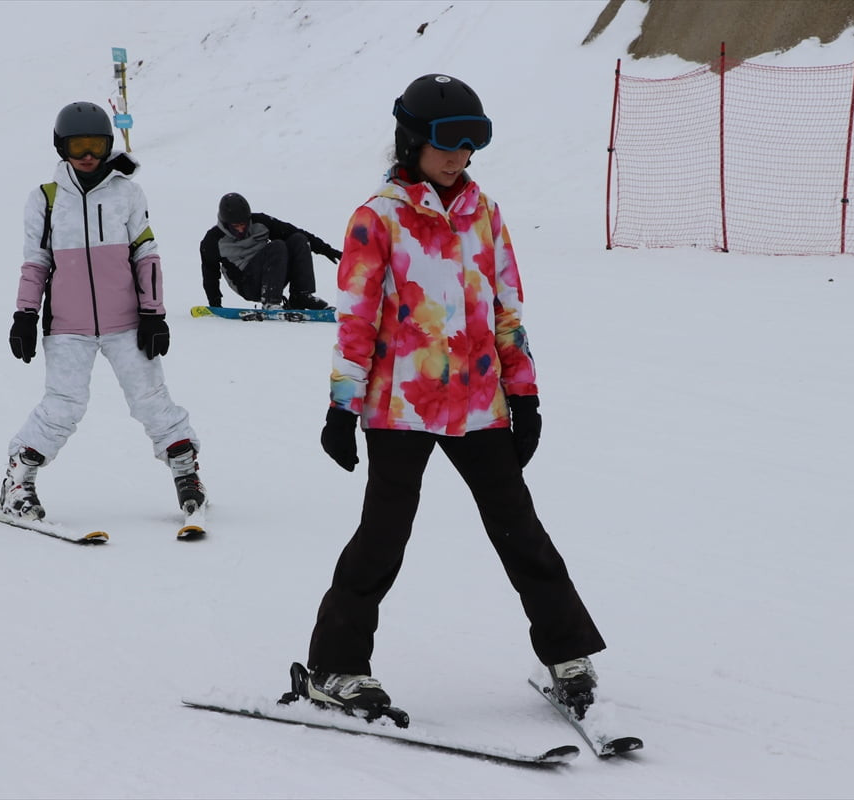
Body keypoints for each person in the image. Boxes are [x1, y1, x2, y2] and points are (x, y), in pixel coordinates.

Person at [306, 75, 608, 719]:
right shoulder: (378, 217)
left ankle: (565, 653)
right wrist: (341, 407)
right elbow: (356, 321)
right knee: (382, 539)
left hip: (480, 407)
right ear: (412, 140)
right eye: (447, 141)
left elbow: (508, 310)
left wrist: (523, 395)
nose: (460, 155)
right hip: (399, 408)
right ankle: (336, 667)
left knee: (520, 530)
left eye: (473, 142)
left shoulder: (485, 213)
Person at [0, 101, 204, 522]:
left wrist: (154, 313)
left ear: (108, 144)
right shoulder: (46, 200)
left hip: (126, 322)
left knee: (151, 401)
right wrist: (25, 314)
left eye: (95, 144)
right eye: (78, 146)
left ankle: (187, 474)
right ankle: (17, 481)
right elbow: (36, 262)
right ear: (62, 148)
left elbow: (146, 253)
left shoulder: (126, 192)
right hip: (67, 326)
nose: (88, 155)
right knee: (64, 405)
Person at [199, 192, 342, 310]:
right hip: (247, 283)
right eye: (236, 226)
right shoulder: (213, 240)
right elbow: (210, 275)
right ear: (226, 224)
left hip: (273, 274)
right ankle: (270, 301)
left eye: (244, 223)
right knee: (277, 246)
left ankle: (301, 296)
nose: (242, 229)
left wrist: (326, 250)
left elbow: (295, 231)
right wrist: (215, 305)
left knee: (298, 239)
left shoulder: (260, 222)